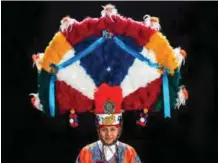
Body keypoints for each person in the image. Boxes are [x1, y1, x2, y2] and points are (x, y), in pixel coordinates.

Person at [75, 83, 141, 163]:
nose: (108, 134)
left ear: (119, 129)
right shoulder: (86, 152)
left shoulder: (129, 152)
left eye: (112, 129)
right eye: (104, 129)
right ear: (98, 129)